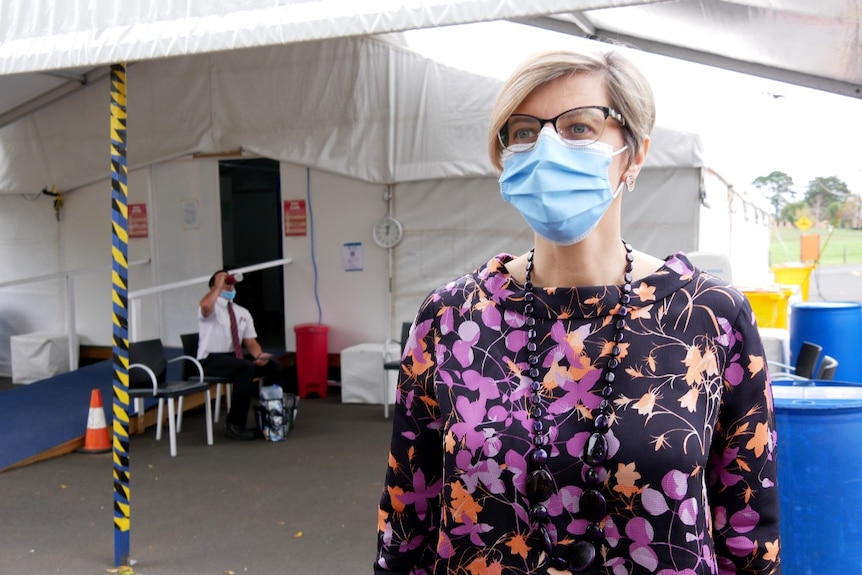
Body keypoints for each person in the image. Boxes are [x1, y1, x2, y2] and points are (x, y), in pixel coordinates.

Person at [375, 48, 780, 574]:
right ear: (502, 159)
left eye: (580, 127)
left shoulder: (709, 317)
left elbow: (748, 530)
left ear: (634, 154)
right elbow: (408, 520)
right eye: (522, 132)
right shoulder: (450, 319)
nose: (546, 147)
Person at [198, 269, 292, 440]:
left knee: (273, 365)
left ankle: (272, 415)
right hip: (210, 359)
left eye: (231, 282)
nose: (231, 285)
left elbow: (251, 342)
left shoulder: (242, 312)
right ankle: (235, 424)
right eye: (226, 282)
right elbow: (205, 306)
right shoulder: (210, 307)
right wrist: (218, 285)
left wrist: (259, 356)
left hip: (234, 357)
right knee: (245, 368)